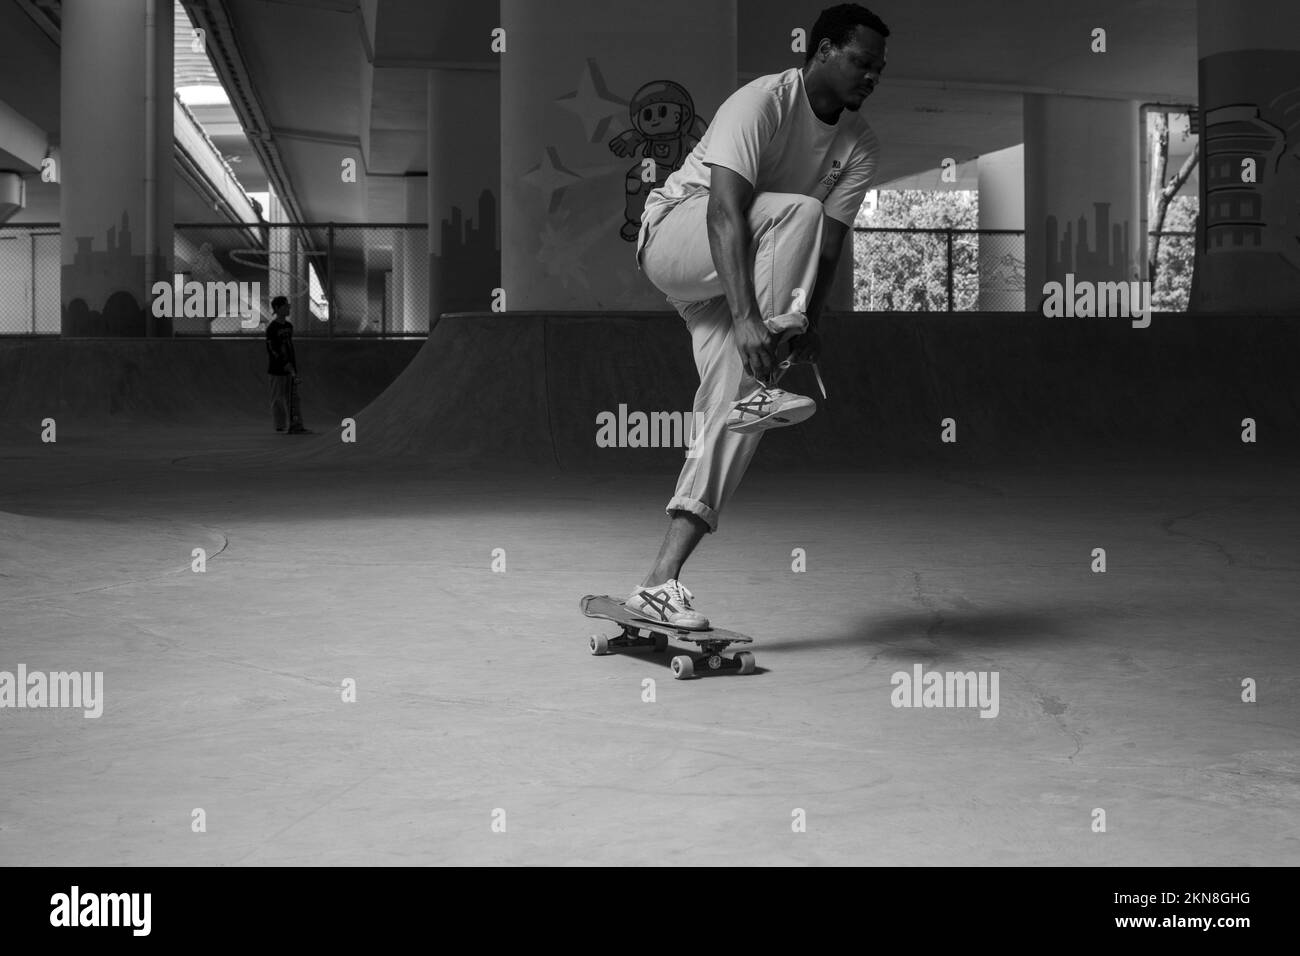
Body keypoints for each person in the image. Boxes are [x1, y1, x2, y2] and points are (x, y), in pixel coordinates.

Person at [626, 3, 888, 628]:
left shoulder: (860, 146)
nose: (872, 77)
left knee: (733, 418)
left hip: (742, 278)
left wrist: (807, 323)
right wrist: (752, 320)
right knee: (798, 209)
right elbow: (723, 213)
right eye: (861, 61)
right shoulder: (762, 102)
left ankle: (658, 583)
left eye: (880, 68)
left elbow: (828, 249)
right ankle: (763, 354)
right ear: (823, 50)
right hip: (677, 238)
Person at [265, 295, 305, 434]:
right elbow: (272, 349)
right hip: (277, 369)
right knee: (278, 397)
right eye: (285, 306)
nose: (289, 308)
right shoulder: (272, 328)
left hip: (290, 368)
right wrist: (283, 363)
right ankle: (280, 425)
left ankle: (296, 423)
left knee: (293, 397)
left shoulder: (289, 326)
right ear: (277, 308)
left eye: (288, 306)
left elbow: (289, 346)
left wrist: (292, 364)